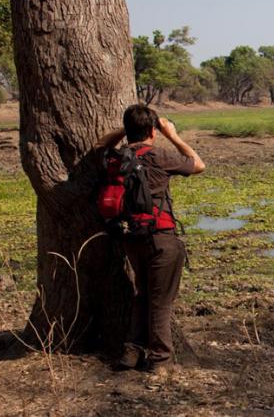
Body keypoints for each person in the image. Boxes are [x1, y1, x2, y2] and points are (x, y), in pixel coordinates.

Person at [95, 104, 205, 374]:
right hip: (161, 237)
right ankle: (160, 360)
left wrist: (127, 128)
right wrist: (172, 135)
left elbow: (100, 145)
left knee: (142, 295)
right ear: (153, 131)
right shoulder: (158, 155)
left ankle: (131, 352)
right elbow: (199, 165)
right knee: (161, 302)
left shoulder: (116, 158)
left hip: (130, 237)